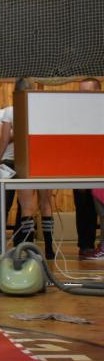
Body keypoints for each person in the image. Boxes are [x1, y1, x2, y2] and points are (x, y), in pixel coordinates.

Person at [0, 78, 54, 258]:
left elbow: (5, 140)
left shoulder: (10, 111)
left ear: (15, 91)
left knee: (27, 207)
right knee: (46, 205)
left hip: (23, 161)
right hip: (43, 161)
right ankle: (49, 249)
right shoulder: (43, 110)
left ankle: (29, 249)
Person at [74, 77, 103, 260]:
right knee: (83, 207)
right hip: (81, 167)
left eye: (86, 91)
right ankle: (85, 245)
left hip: (100, 168)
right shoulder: (76, 114)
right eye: (80, 91)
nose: (82, 95)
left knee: (101, 210)